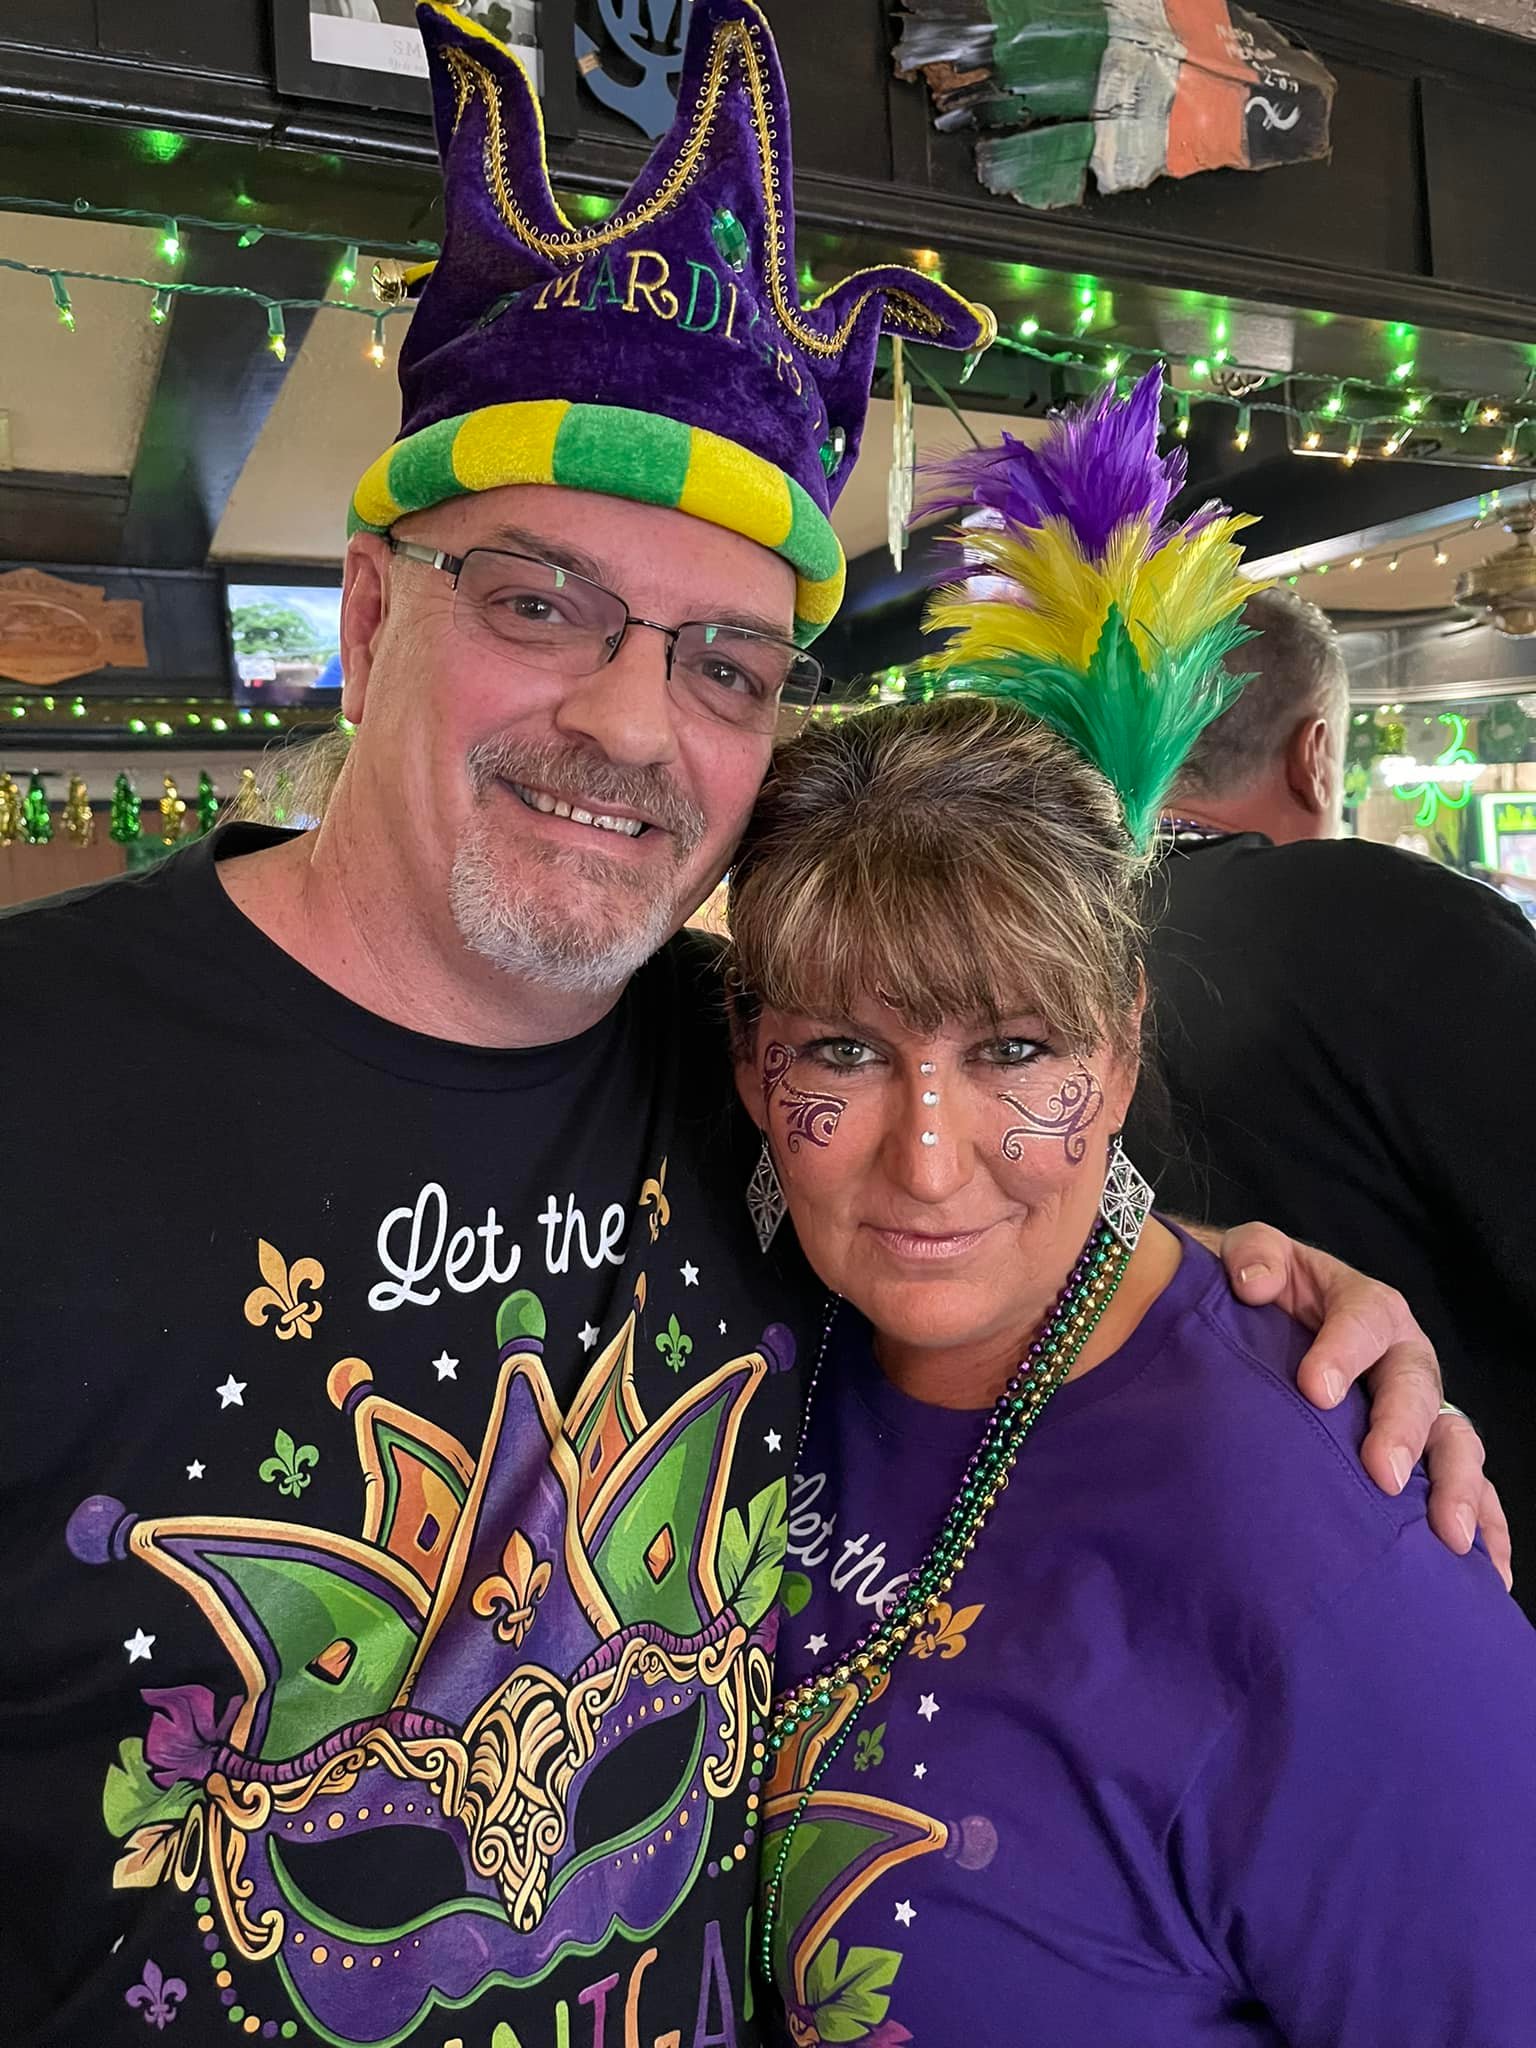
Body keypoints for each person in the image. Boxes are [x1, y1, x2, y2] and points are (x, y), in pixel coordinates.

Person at [0, 10, 1498, 2046]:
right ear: (367, 614)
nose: (630, 719)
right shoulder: (40, 1075)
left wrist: (1259, 1306)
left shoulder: (745, 1074)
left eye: (725, 661)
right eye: (537, 600)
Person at [723, 380, 1536, 2045]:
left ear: (1120, 1046)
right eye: (844, 1051)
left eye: (1013, 1048)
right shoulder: (749, 1325)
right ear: (745, 1062)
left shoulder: (1338, 1579)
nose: (928, 1160)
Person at [1122, 582, 1536, 1600]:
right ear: (1314, 754)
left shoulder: (1063, 942)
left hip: (1159, 1555)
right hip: (1454, 1564)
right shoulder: (1407, 924)